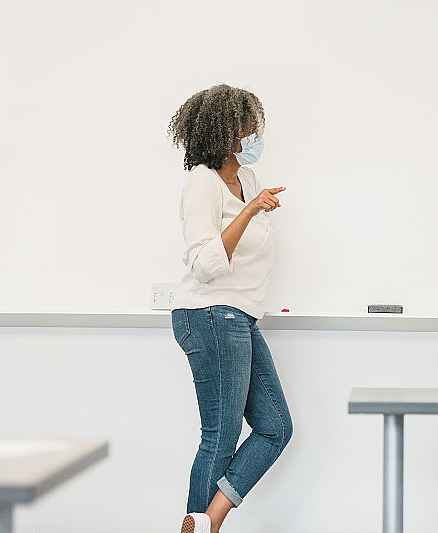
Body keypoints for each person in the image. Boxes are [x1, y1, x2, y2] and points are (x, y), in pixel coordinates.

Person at [167, 84, 292, 533]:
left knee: (275, 427)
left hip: (240, 315)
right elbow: (204, 265)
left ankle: (206, 522)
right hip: (209, 313)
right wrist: (249, 211)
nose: (255, 136)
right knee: (220, 436)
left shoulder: (250, 180)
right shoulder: (202, 182)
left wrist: (252, 203)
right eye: (248, 128)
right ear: (224, 132)